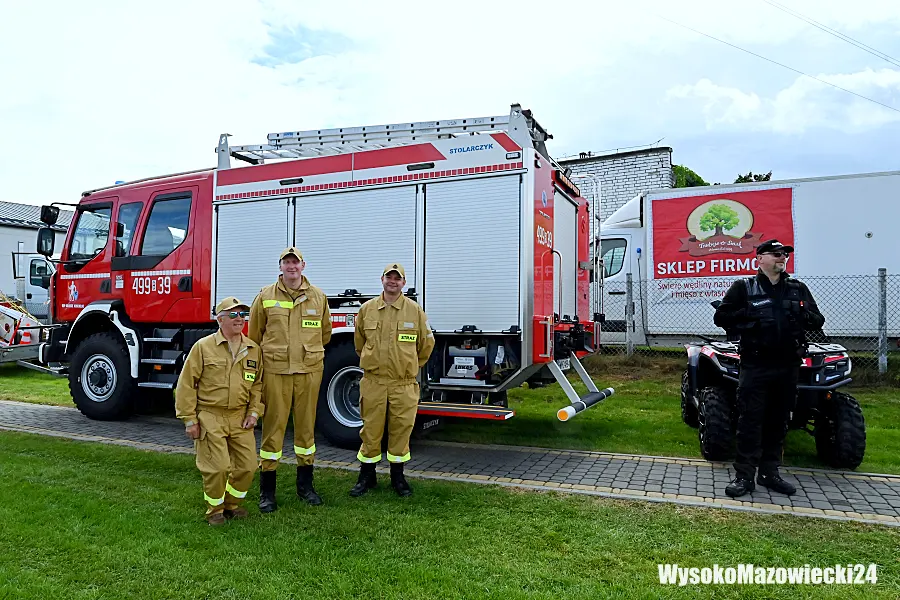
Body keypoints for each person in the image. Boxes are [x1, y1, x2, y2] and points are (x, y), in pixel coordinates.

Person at [714, 239, 825, 498]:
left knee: (778, 421)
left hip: (787, 366)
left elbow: (818, 320)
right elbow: (721, 318)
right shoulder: (744, 288)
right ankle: (744, 476)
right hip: (756, 365)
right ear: (760, 259)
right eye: (776, 254)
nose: (782, 257)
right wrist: (748, 316)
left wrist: (802, 315)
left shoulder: (798, 289)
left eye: (784, 254)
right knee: (750, 421)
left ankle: (769, 473)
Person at [249, 247, 332, 512]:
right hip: (276, 372)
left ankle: (305, 487)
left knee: (306, 429)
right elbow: (255, 335)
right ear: (281, 266)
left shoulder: (318, 297)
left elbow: (325, 334)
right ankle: (267, 492)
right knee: (273, 429)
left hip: (308, 372)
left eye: (295, 262)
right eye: (287, 262)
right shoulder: (265, 296)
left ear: (303, 266)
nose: (291, 267)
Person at [175, 297, 263, 526]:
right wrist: (189, 419)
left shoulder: (253, 349)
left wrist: (254, 413)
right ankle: (215, 509)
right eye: (233, 314)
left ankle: (232, 504)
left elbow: (257, 386)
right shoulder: (203, 347)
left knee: (248, 466)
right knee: (218, 467)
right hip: (210, 415)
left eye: (242, 315)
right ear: (220, 319)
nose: (239, 319)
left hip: (239, 417)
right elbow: (186, 384)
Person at [350, 263, 435, 497]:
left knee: (401, 430)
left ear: (403, 283)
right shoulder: (367, 309)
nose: (393, 281)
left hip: (403, 384)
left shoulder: (414, 311)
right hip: (374, 382)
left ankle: (398, 478)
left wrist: (409, 365)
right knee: (370, 430)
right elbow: (359, 343)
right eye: (389, 277)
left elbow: (426, 345)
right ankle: (366, 477)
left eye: (398, 278)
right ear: (382, 279)